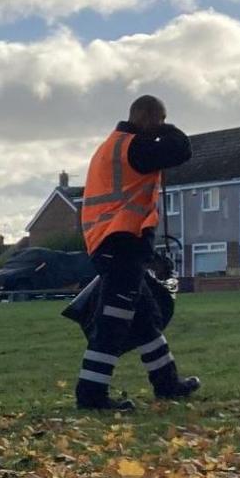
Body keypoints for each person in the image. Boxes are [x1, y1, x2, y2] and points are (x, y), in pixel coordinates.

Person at [76, 95, 201, 411]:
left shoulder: (114, 146)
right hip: (120, 242)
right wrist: (167, 128)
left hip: (115, 242)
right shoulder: (134, 147)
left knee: (145, 318)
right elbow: (180, 149)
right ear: (146, 118)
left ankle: (167, 383)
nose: (161, 126)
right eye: (159, 119)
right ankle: (91, 396)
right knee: (113, 322)